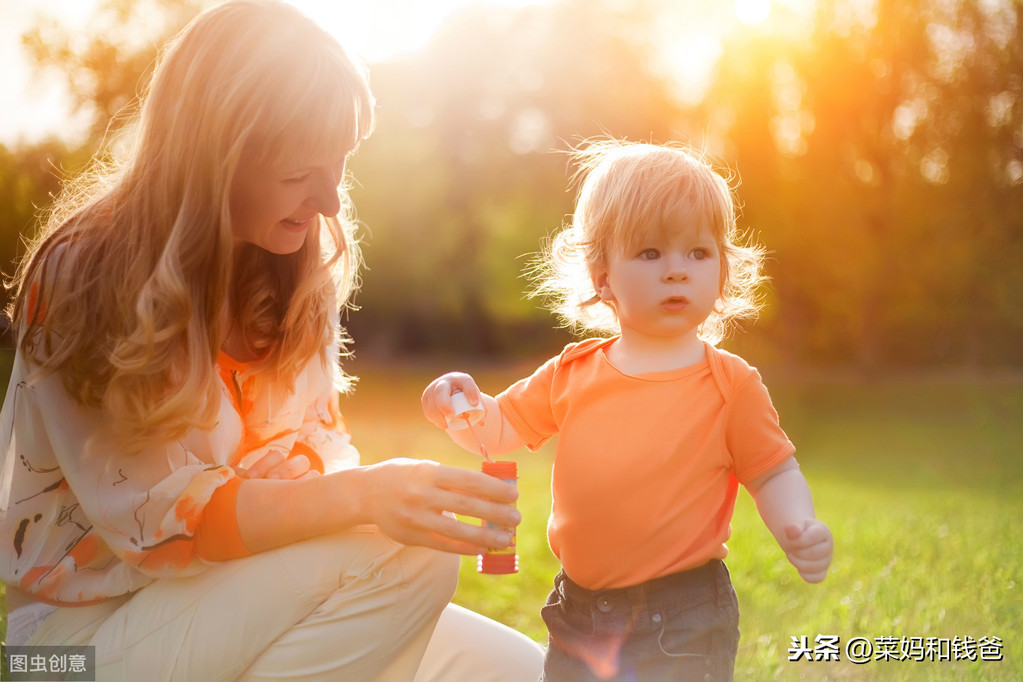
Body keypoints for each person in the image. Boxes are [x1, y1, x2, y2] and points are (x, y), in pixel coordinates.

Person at [0, 1, 543, 679]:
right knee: (404, 560)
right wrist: (369, 498)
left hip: (235, 603)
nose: (329, 201)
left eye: (339, 163)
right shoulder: (90, 273)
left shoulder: (290, 268)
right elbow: (164, 525)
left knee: (535, 672)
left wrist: (403, 496)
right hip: (64, 650)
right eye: (297, 174)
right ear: (215, 156)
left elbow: (306, 468)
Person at [422, 139, 834, 681]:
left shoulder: (730, 384)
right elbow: (500, 429)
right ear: (602, 277)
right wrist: (461, 407)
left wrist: (796, 524)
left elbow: (774, 469)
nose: (676, 271)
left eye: (698, 252)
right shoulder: (572, 371)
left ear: (723, 270)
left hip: (682, 616)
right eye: (649, 253)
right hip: (579, 612)